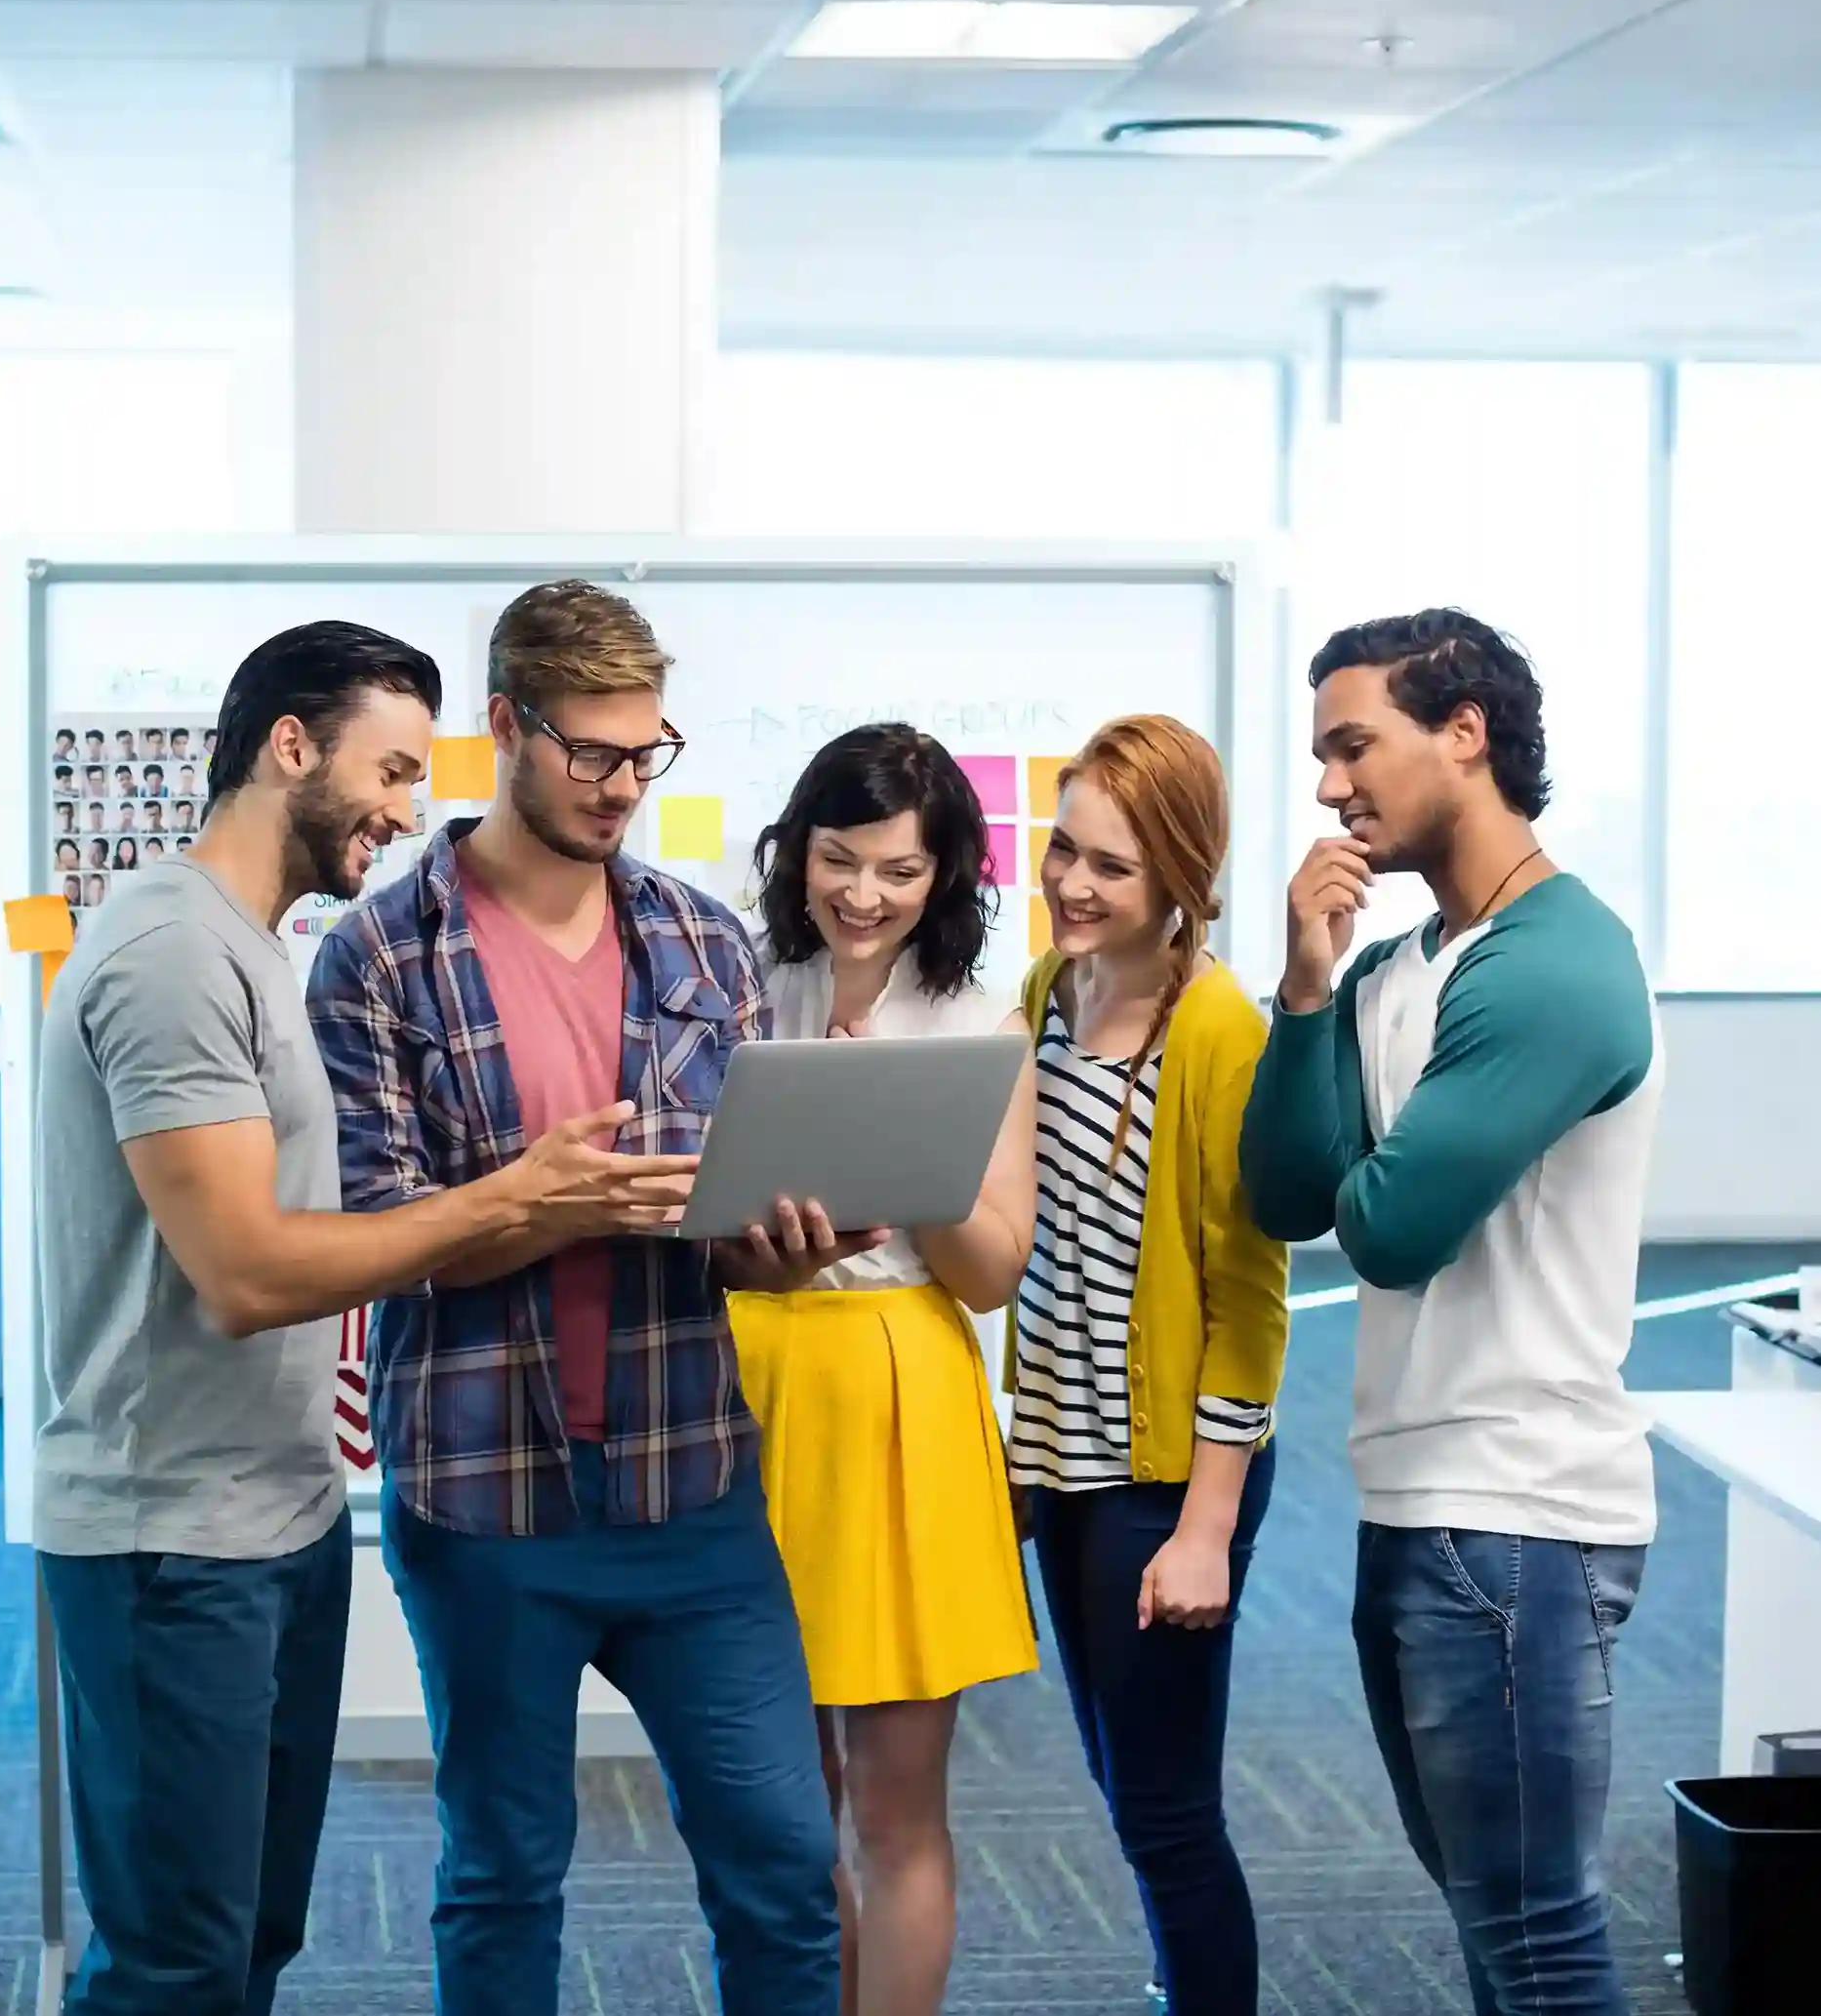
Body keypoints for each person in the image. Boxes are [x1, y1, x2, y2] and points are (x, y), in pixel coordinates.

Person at [35, 618, 697, 2016]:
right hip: (171, 1540)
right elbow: (250, 1274)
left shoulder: (252, 947)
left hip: (269, 1518)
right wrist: (515, 1198)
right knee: (172, 1966)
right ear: (290, 747)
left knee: (247, 1944)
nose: (406, 813)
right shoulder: (169, 956)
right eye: (389, 772)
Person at [308, 580, 857, 2016]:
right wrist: (539, 1206)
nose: (622, 786)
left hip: (694, 1487)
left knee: (786, 1864)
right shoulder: (377, 954)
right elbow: (381, 1239)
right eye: (590, 754)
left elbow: (730, 1229)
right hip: (487, 1500)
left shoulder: (701, 941)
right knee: (503, 1876)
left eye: (644, 754)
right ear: (506, 727)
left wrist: (782, 1240)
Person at [1237, 610, 1662, 2016]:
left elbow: (1393, 1233)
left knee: (1537, 1944)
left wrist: (1378, 1162)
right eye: (1320, 755)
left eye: (1353, 745)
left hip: (1519, 1514)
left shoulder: (1556, 964)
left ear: (1464, 731)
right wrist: (1302, 989)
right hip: (1418, 1497)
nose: (1327, 787)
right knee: (1492, 1933)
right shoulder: (1390, 969)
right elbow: (1289, 1199)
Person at [730, 724, 1036, 2016]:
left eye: (896, 873)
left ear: (943, 878)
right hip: (749, 1390)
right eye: (837, 859)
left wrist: (904, 1144)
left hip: (903, 1393)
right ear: (796, 851)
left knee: (896, 1803)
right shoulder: (738, 982)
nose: (859, 895)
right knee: (782, 1814)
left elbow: (990, 1272)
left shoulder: (973, 1024)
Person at [1003, 715, 1289, 2016]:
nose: (1071, 882)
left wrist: (1206, 1530)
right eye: (1065, 848)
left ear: (1176, 875)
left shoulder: (1217, 1028)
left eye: (1109, 866)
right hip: (1057, 1458)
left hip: (1165, 1477)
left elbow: (1249, 1301)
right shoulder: (1042, 993)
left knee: (1168, 1815)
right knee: (1125, 1794)